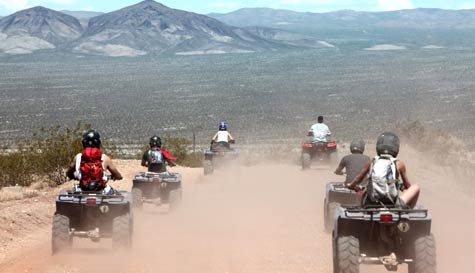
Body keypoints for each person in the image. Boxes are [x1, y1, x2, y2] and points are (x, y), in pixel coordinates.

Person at [347, 132, 420, 208]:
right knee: (416, 187)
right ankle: (407, 211)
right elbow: (407, 186)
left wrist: (351, 186)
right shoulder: (399, 163)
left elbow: (357, 179)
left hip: (372, 203)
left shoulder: (372, 161)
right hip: (392, 204)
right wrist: (401, 186)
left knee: (366, 189)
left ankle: (364, 209)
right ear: (396, 148)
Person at [66, 129, 122, 194]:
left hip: (83, 189)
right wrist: (118, 177)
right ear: (98, 143)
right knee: (117, 194)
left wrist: (73, 177)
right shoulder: (104, 157)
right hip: (101, 190)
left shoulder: (78, 157)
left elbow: (69, 171)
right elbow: (117, 175)